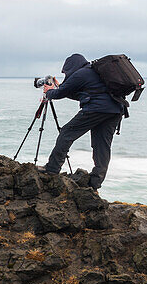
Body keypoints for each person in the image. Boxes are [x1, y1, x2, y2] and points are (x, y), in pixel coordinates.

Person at [39, 53, 123, 189]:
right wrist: (61, 88)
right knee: (102, 146)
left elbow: (59, 94)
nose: (66, 74)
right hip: (115, 110)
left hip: (96, 109)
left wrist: (49, 91)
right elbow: (84, 95)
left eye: (66, 72)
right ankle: (95, 183)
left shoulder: (81, 74)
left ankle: (52, 169)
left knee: (67, 133)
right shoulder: (94, 72)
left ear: (71, 66)